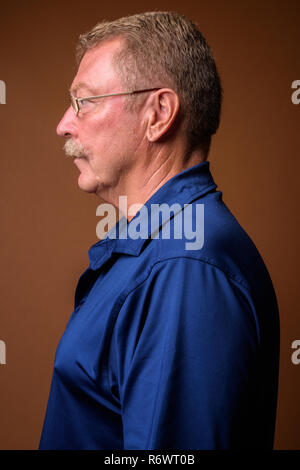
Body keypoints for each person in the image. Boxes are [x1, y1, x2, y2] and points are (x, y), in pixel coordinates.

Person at [39, 11, 280, 450]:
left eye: (84, 101)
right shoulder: (166, 252)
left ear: (159, 114)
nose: (64, 124)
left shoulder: (185, 269)